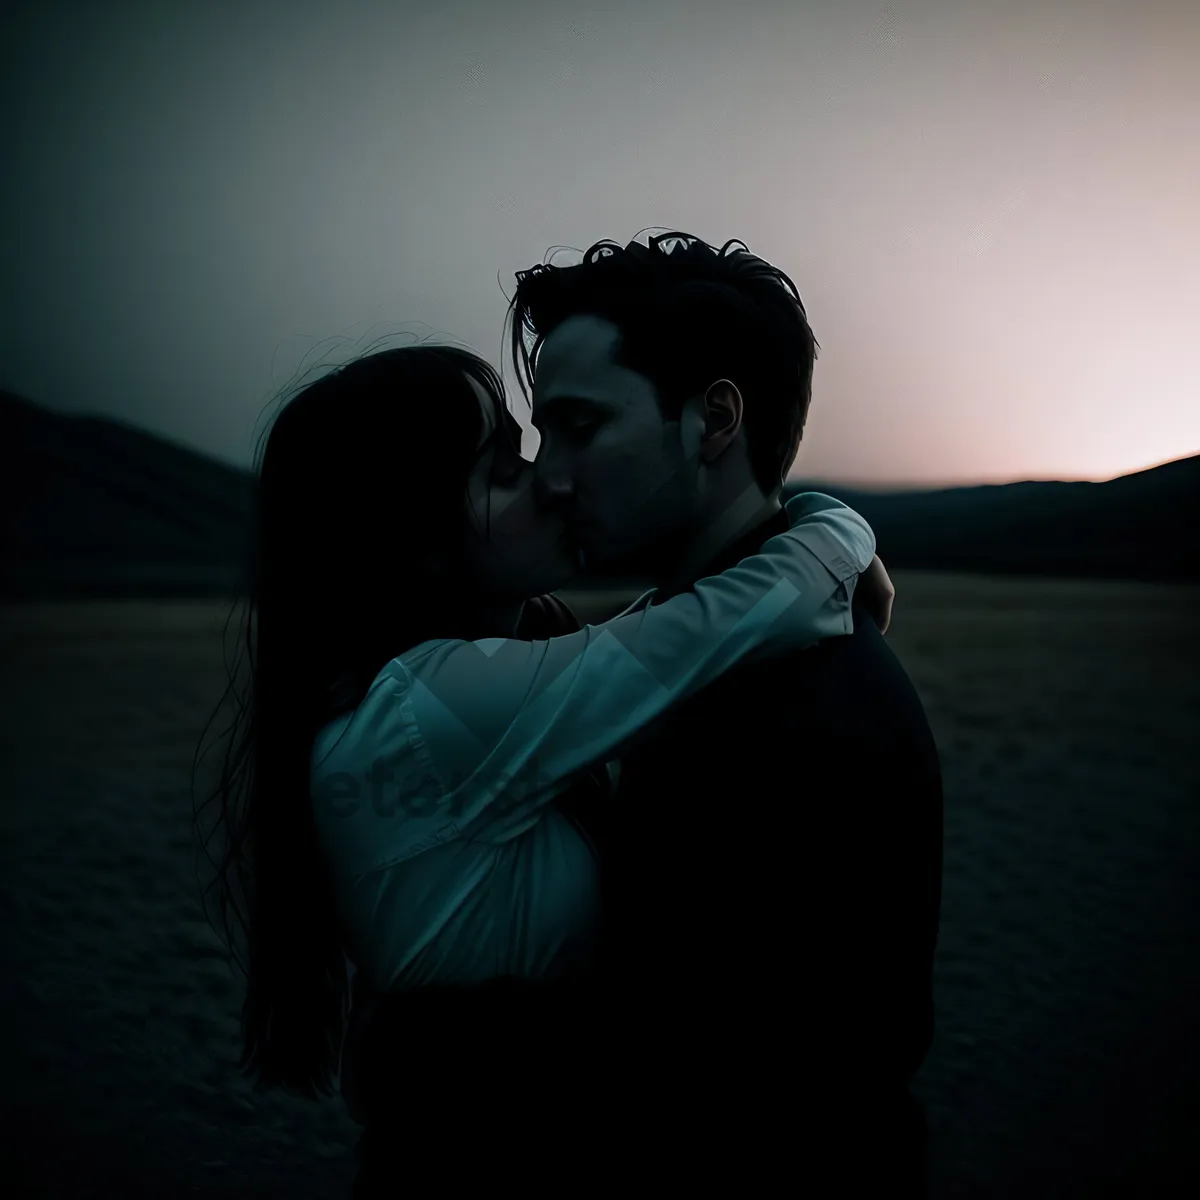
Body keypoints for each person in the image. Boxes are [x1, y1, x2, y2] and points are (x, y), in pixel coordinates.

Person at [192, 341, 892, 1194]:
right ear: (413, 539)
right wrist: (836, 527)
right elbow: (727, 623)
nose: (554, 482)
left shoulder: (458, 691)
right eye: (505, 469)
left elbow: (657, 637)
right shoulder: (431, 709)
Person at [506, 230, 943, 1192]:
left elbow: (729, 1098)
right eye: (542, 437)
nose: (550, 475)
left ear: (713, 420)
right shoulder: (724, 653)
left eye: (580, 427)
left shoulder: (780, 706)